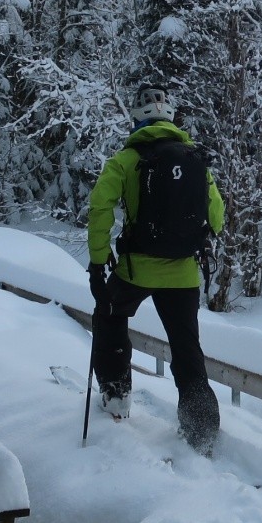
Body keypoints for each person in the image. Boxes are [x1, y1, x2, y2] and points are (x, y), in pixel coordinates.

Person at [87, 82, 225, 453]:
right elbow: (217, 216)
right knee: (186, 349)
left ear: (135, 120)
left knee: (109, 317)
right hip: (182, 274)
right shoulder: (195, 159)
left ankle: (117, 400)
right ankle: (202, 432)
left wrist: (98, 264)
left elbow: (100, 209)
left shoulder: (125, 160)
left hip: (135, 270)